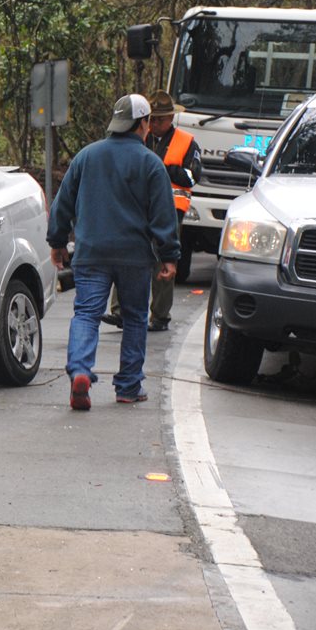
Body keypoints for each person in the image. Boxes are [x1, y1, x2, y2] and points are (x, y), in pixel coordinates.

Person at [47, 93, 181, 410]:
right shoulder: (151, 163)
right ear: (143, 124)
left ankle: (80, 370)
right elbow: (164, 214)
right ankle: (129, 386)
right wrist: (169, 255)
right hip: (135, 256)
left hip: (91, 253)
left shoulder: (86, 157)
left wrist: (57, 242)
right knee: (135, 318)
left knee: (86, 314)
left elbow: (62, 203)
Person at [102, 90, 203, 331]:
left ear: (171, 118)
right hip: (137, 208)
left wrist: (166, 170)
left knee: (163, 262)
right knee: (126, 256)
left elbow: (192, 176)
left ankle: (159, 316)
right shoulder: (139, 138)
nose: (155, 124)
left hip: (170, 210)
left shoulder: (187, 142)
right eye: (152, 119)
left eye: (160, 119)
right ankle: (120, 312)